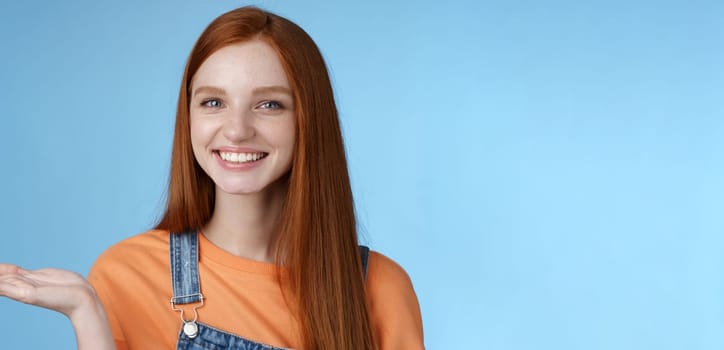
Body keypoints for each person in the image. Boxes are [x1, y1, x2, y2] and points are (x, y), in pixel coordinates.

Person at [0, 6, 424, 350]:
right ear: (188, 116)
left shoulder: (379, 288)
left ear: (309, 121)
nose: (236, 129)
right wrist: (86, 314)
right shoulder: (125, 275)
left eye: (269, 105)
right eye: (214, 102)